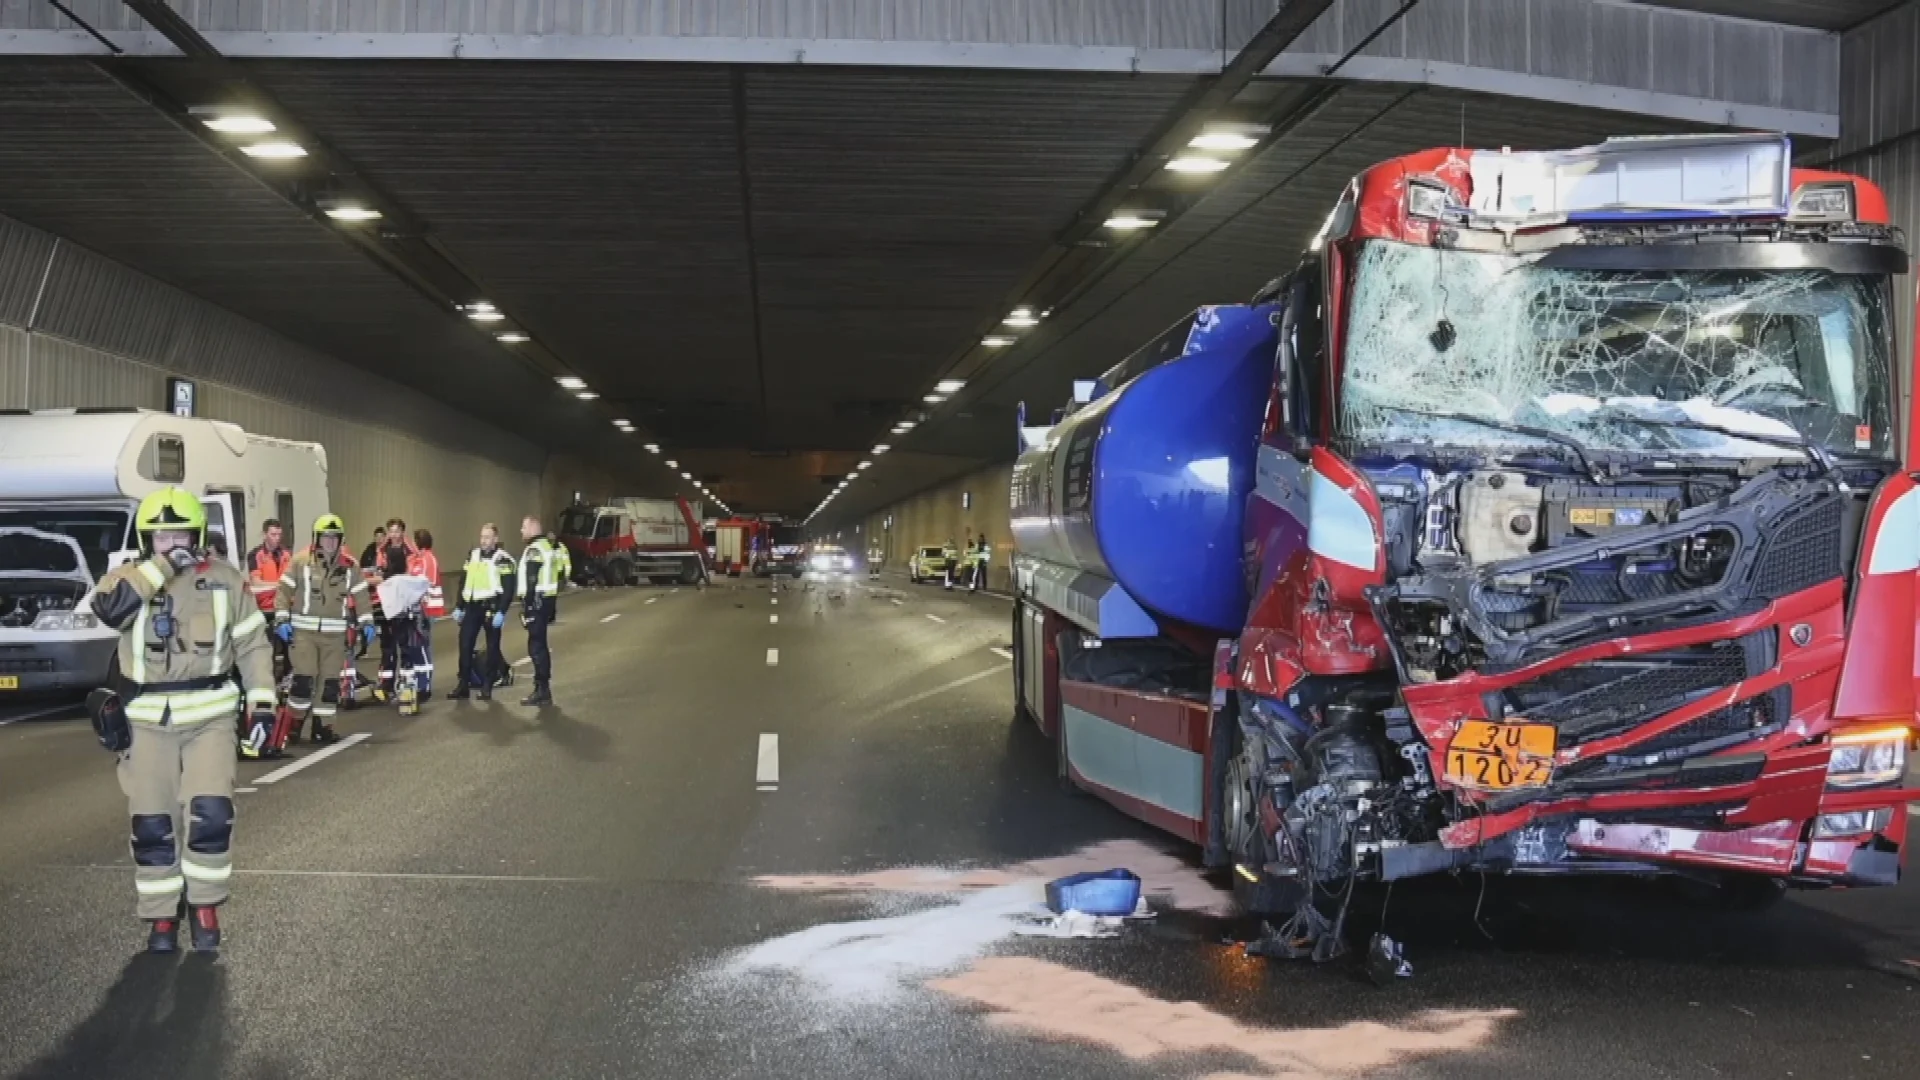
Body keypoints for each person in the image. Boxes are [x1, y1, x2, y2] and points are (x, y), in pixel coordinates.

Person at [86, 487, 275, 953]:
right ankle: (161, 916)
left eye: (180, 533)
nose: (172, 541)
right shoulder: (127, 578)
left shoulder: (226, 581)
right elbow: (110, 611)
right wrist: (164, 567)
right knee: (152, 823)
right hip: (147, 721)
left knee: (210, 814)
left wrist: (264, 703)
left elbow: (253, 645)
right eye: (162, 535)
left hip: (210, 717)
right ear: (148, 539)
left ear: (198, 533)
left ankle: (205, 906)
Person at [275, 514, 374, 744]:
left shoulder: (350, 567)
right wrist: (281, 619)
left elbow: (361, 598)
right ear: (317, 538)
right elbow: (284, 592)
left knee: (330, 683)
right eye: (325, 537)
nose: (330, 542)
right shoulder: (300, 562)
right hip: (303, 635)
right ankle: (293, 724)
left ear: (341, 540)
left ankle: (323, 726)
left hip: (335, 637)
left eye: (334, 538)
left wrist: (367, 622)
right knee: (304, 679)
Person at [450, 523, 515, 702]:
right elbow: (464, 582)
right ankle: (463, 684)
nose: (484, 541)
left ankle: (487, 685)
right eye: (482, 537)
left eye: (487, 537)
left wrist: (502, 611)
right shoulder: (473, 555)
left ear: (495, 539)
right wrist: (459, 606)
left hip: (491, 607)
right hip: (472, 607)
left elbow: (509, 588)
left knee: (492, 647)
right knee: (465, 645)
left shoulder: (502, 559)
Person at [516, 515, 572, 707]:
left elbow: (532, 579)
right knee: (539, 645)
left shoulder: (534, 549)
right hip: (546, 600)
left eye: (523, 527)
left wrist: (528, 605)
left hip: (537, 602)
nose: (521, 531)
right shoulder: (548, 547)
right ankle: (542, 688)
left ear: (532, 528)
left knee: (536, 647)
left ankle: (542, 690)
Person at [246, 519, 293, 682]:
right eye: (273, 534)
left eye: (279, 534)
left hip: (285, 607)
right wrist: (280, 585)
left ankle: (288, 677)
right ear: (265, 534)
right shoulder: (256, 555)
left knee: (290, 647)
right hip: (265, 609)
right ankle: (269, 680)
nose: (277, 538)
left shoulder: (287, 554)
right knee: (268, 649)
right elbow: (256, 582)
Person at [405, 529, 443, 699]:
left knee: (422, 645)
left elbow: (427, 582)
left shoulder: (428, 559)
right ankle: (419, 683)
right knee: (415, 646)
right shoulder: (415, 560)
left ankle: (425, 685)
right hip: (415, 608)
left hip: (427, 608)